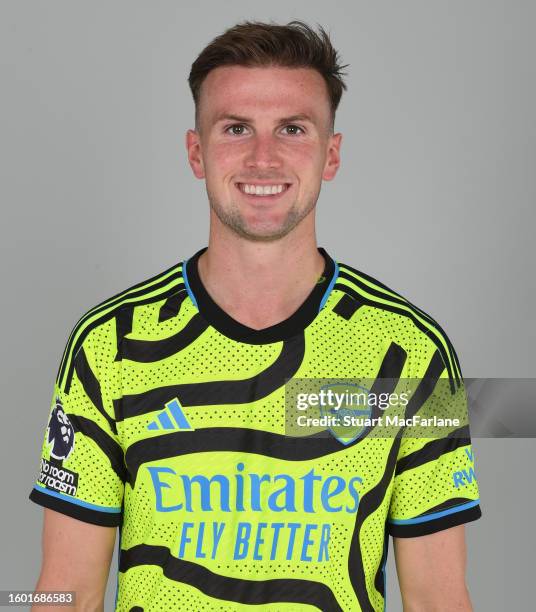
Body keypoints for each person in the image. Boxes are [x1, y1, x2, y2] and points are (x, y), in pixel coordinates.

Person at [29, 20, 481, 612]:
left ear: (331, 154)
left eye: (292, 129)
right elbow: (65, 594)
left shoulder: (412, 352)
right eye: (236, 128)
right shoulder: (109, 344)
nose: (262, 158)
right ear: (197, 152)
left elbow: (439, 599)